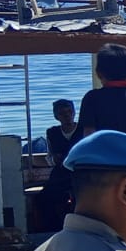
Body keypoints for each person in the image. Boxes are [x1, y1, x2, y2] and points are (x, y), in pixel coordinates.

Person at [38, 99, 82, 232]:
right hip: (60, 174)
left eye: (69, 111)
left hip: (80, 173)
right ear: (56, 116)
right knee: (44, 198)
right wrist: (54, 160)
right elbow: (49, 157)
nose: (67, 115)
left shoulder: (83, 129)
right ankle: (51, 229)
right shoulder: (52, 133)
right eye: (62, 113)